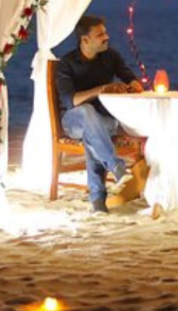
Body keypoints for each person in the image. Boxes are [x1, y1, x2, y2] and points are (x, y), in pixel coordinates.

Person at [55, 15, 144, 213]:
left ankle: (98, 200)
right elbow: (71, 101)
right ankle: (115, 166)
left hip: (104, 122)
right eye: (100, 34)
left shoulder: (111, 56)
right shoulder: (67, 64)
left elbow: (131, 79)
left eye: (105, 32)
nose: (107, 37)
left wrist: (131, 87)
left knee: (93, 133)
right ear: (85, 40)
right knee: (87, 113)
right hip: (73, 121)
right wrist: (102, 89)